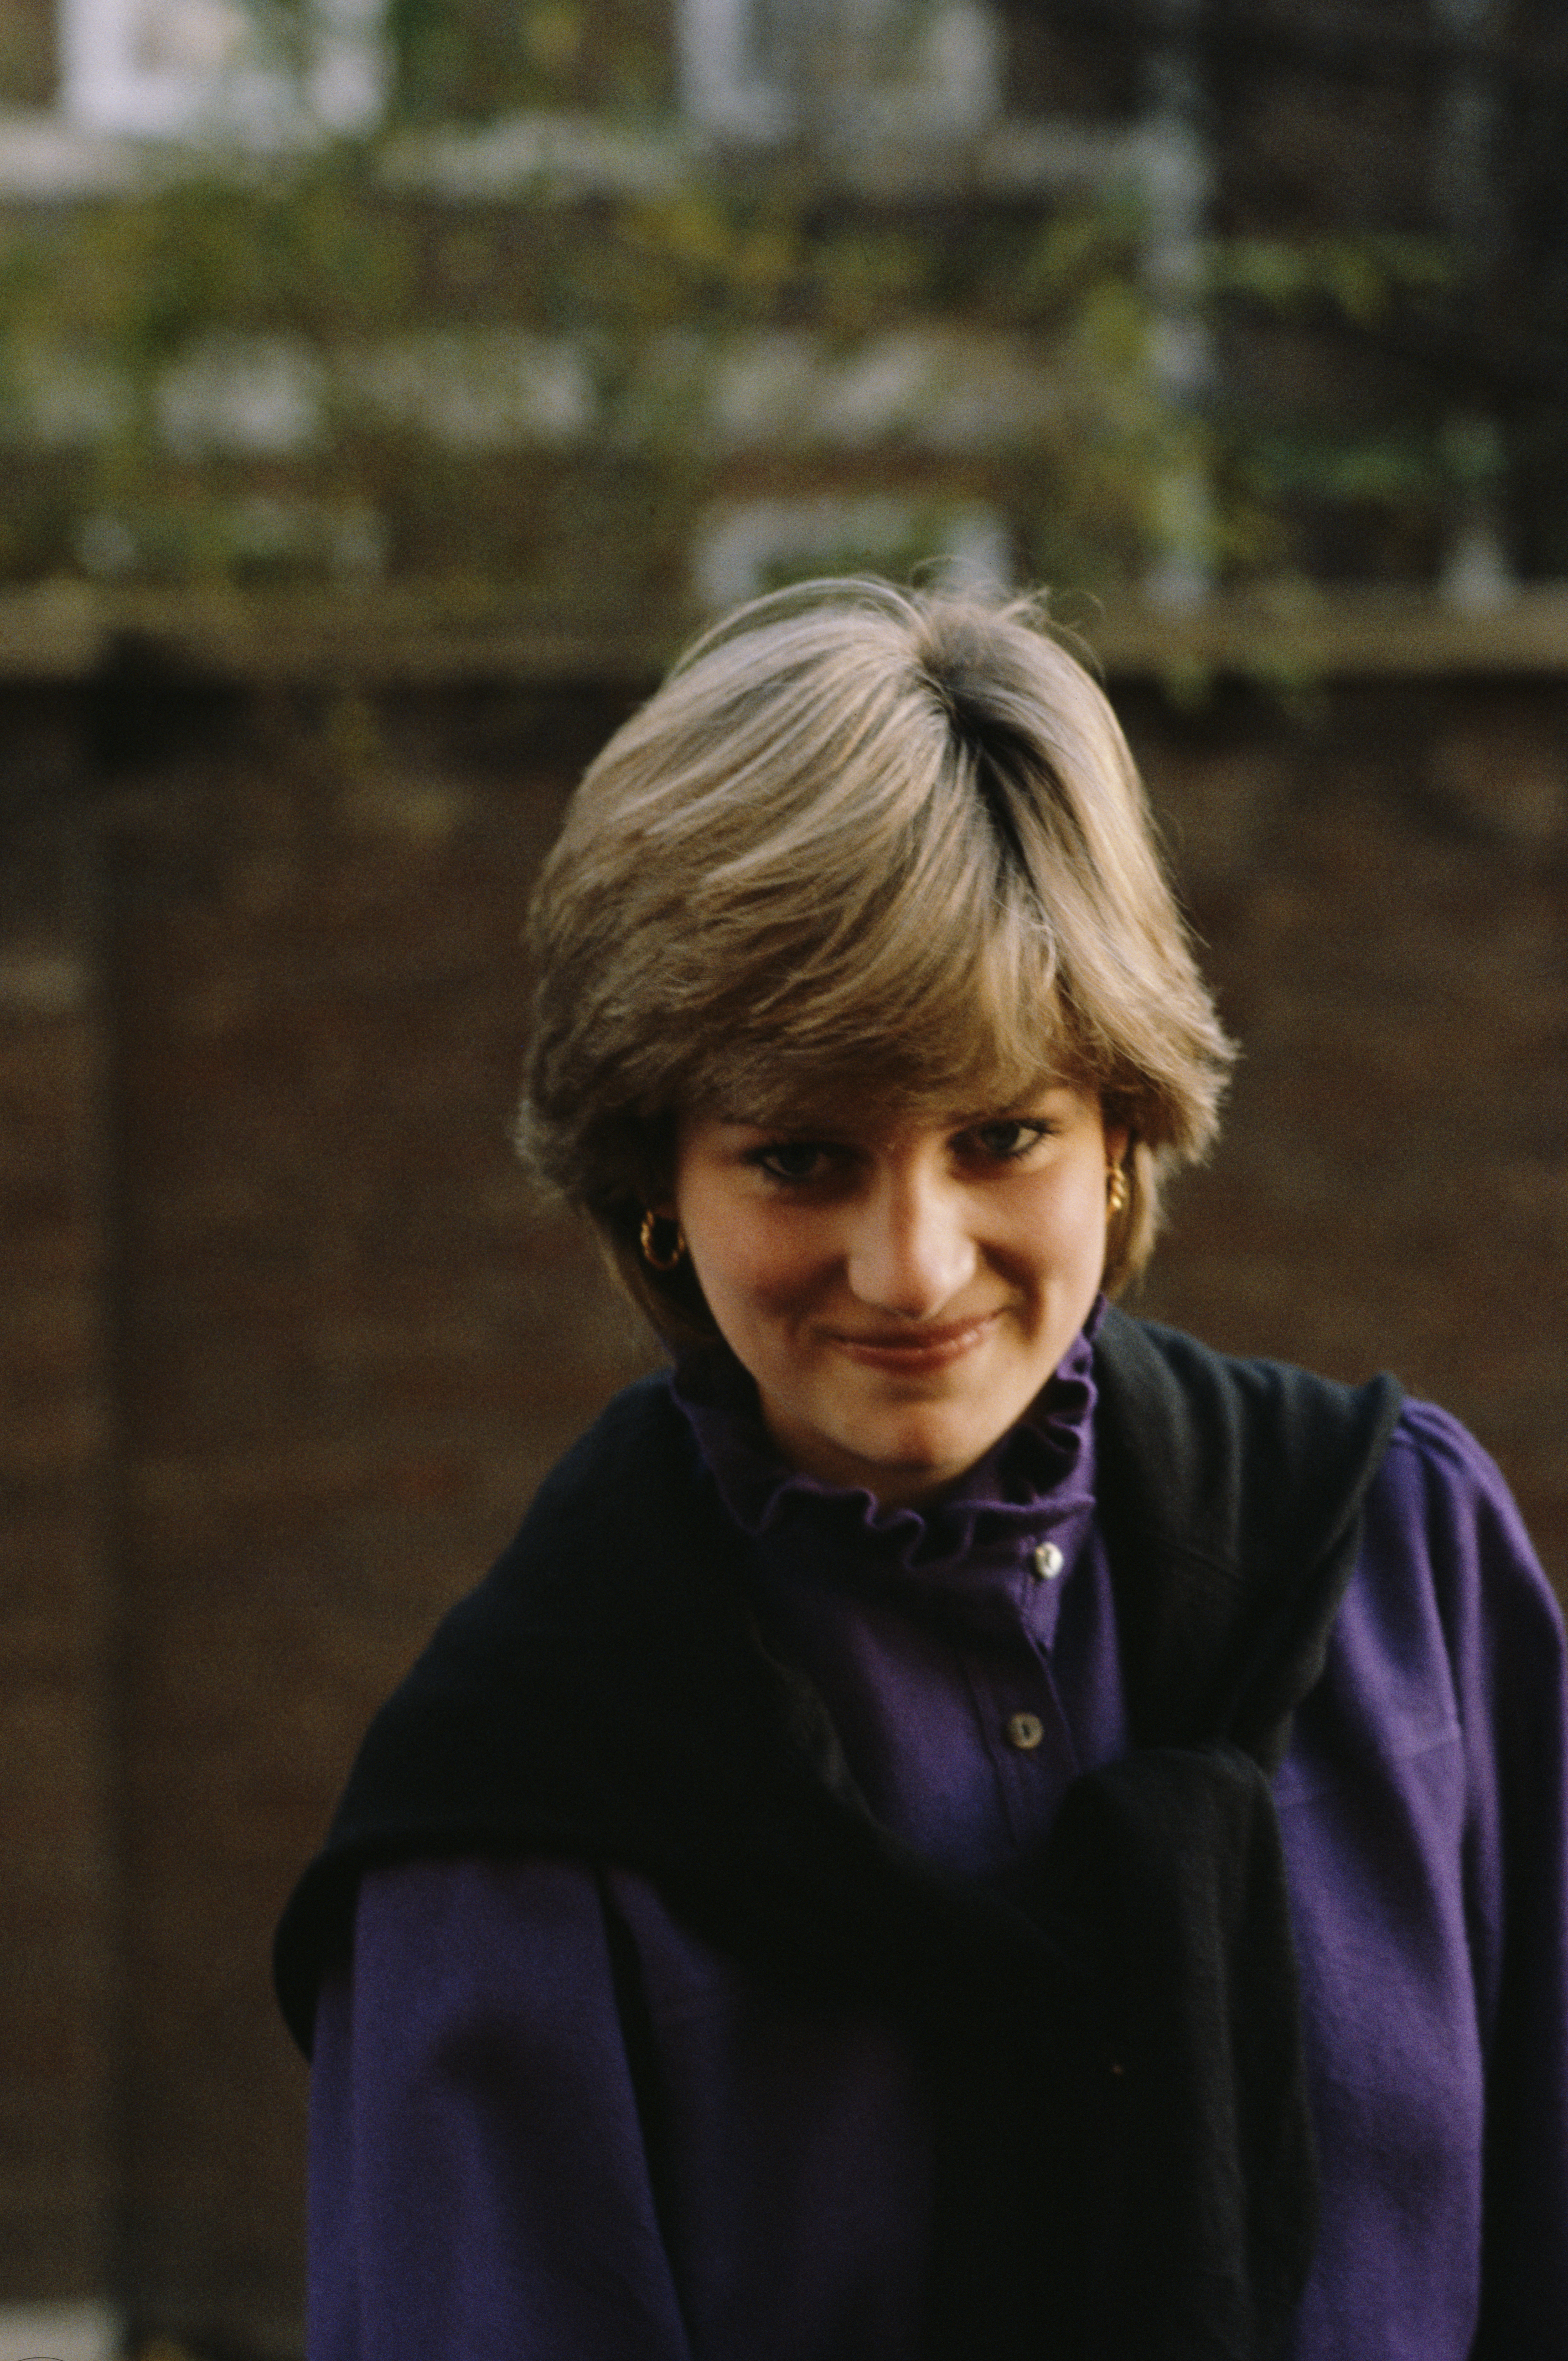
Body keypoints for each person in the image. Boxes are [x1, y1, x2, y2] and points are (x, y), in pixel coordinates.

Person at [275, 580, 1568, 2361]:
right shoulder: (515, 1818)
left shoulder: (1399, 1574)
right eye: (801, 1155)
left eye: (999, 1135)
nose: (912, 1263)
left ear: (1119, 1127)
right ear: (658, 1175)